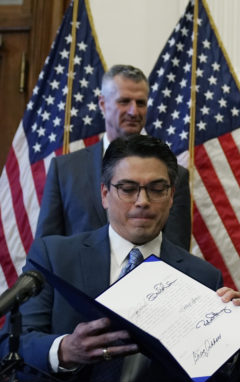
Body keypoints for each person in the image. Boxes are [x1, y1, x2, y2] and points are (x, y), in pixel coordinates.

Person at [0, 135, 240, 382]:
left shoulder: (202, 277)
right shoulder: (54, 257)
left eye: (157, 189)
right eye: (128, 189)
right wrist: (65, 351)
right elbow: (10, 344)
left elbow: (222, 378)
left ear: (171, 197)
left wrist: (229, 339)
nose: (142, 201)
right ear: (105, 194)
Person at [35, 64, 191, 249]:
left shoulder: (175, 175)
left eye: (140, 103)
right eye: (124, 101)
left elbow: (177, 254)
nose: (134, 111)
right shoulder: (65, 170)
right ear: (103, 104)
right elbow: (46, 247)